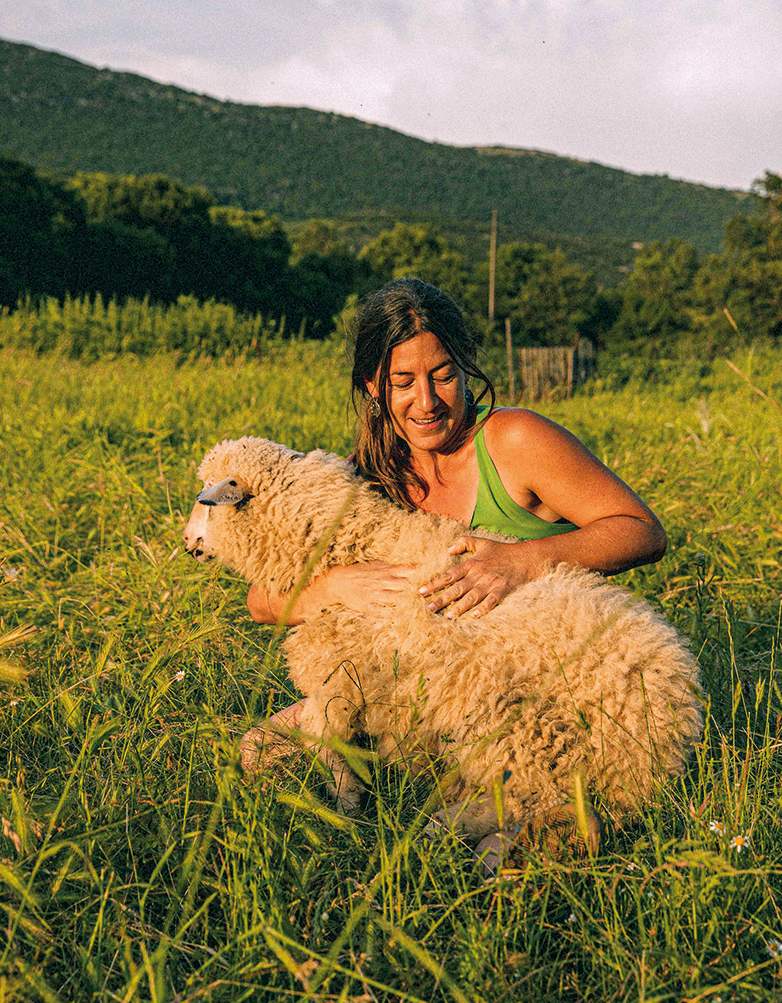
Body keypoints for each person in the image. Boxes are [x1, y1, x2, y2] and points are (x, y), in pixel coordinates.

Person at [243, 277, 666, 780]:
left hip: (522, 687)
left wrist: (521, 561)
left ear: (465, 366)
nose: (426, 402)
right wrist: (331, 587)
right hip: (414, 694)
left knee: (489, 848)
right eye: (402, 383)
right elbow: (260, 600)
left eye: (442, 376)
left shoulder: (514, 439)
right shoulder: (369, 473)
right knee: (259, 750)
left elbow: (641, 531)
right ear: (373, 388)